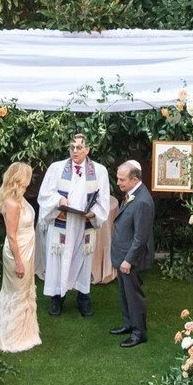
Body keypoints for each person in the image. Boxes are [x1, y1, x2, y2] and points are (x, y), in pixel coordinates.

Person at [36, 133, 111, 318]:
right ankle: (56, 299)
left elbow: (104, 199)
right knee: (57, 260)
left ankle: (83, 298)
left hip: (84, 225)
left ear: (88, 149)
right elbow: (44, 194)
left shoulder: (99, 171)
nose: (75, 151)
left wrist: (94, 213)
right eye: (72, 147)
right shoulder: (57, 168)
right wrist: (58, 200)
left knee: (83, 261)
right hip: (62, 221)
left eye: (79, 147)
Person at [0, 161, 40, 353]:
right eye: (27, 177)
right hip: (17, 251)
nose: (29, 181)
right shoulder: (11, 203)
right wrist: (19, 262)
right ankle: (12, 336)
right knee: (16, 293)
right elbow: (11, 235)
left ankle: (25, 333)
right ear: (20, 178)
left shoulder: (20, 198)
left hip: (27, 249)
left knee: (26, 291)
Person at [108, 159, 156, 347]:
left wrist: (128, 260)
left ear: (134, 179)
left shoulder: (143, 201)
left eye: (122, 180)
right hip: (123, 255)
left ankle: (138, 333)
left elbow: (141, 237)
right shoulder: (132, 193)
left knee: (134, 295)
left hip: (130, 259)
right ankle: (128, 324)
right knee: (124, 293)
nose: (118, 182)